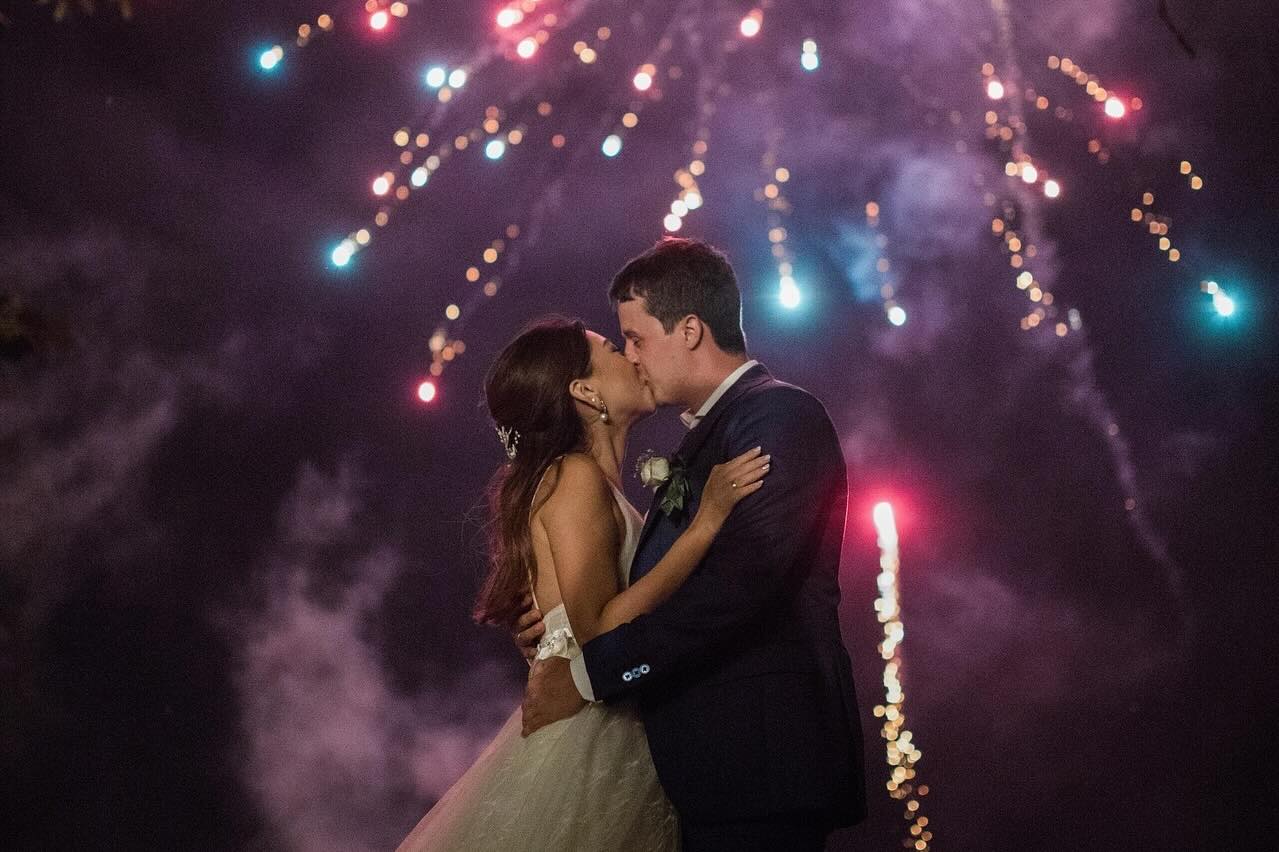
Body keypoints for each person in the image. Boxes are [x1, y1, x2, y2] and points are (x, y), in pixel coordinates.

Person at [517, 238, 867, 851]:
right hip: (715, 770)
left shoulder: (776, 417)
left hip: (762, 763)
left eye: (636, 338)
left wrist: (593, 673)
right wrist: (558, 618)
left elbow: (740, 587)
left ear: (689, 330)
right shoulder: (714, 434)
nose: (632, 357)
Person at [395, 316, 771, 851]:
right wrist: (706, 523)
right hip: (591, 729)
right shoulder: (573, 477)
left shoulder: (583, 480)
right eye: (616, 349)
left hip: (611, 714)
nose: (634, 356)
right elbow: (597, 630)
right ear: (585, 391)